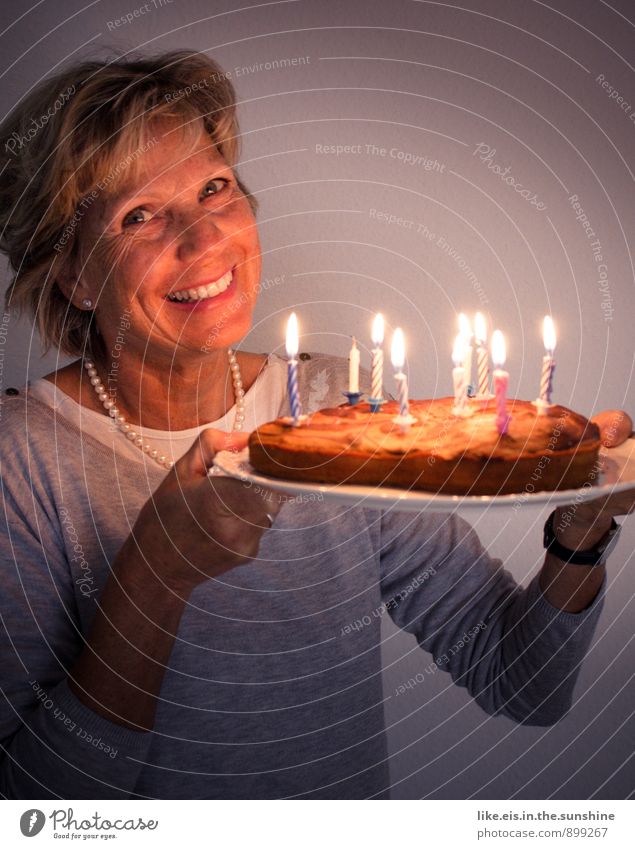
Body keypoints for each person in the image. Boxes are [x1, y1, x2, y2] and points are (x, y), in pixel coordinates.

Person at [0, 51, 632, 800]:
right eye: (138, 215)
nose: (205, 241)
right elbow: (35, 805)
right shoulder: (23, 463)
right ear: (70, 272)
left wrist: (580, 532)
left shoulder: (341, 417)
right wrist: (154, 575)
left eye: (214, 188)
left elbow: (520, 682)